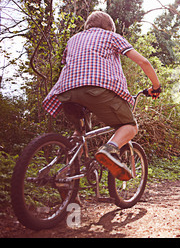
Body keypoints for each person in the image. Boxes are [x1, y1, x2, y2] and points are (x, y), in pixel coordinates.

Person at [43, 11, 161, 181]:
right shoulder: (111, 36)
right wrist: (156, 86)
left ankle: (69, 177)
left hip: (65, 92)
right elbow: (143, 62)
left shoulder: (73, 39)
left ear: (87, 26)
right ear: (110, 28)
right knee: (129, 126)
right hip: (96, 90)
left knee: (80, 133)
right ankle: (109, 149)